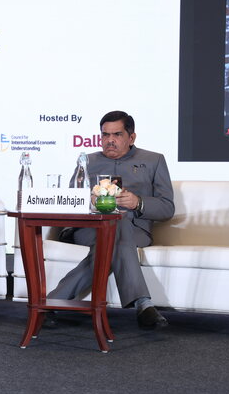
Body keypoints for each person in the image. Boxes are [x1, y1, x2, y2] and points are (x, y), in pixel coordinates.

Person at [47, 110, 175, 329]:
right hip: (91, 228)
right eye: (105, 135)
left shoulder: (153, 160)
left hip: (135, 229)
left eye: (117, 134)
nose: (110, 140)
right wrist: (88, 201)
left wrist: (137, 202)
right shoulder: (88, 161)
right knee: (115, 228)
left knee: (118, 224)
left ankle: (51, 302)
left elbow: (167, 208)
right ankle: (143, 304)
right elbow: (71, 200)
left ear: (131, 137)